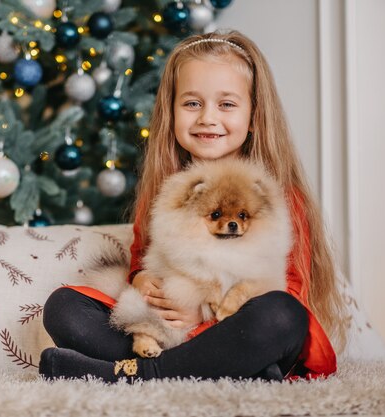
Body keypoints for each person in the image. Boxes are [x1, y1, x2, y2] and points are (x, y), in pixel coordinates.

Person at [39, 30, 348, 383]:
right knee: (64, 308)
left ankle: (135, 376)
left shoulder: (277, 195)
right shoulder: (167, 191)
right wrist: (142, 282)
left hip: (236, 328)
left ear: (254, 116)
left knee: (281, 314)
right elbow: (141, 258)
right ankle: (226, 374)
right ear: (171, 112)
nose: (207, 118)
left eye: (227, 104)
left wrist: (202, 316)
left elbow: (291, 287)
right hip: (163, 329)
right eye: (192, 103)